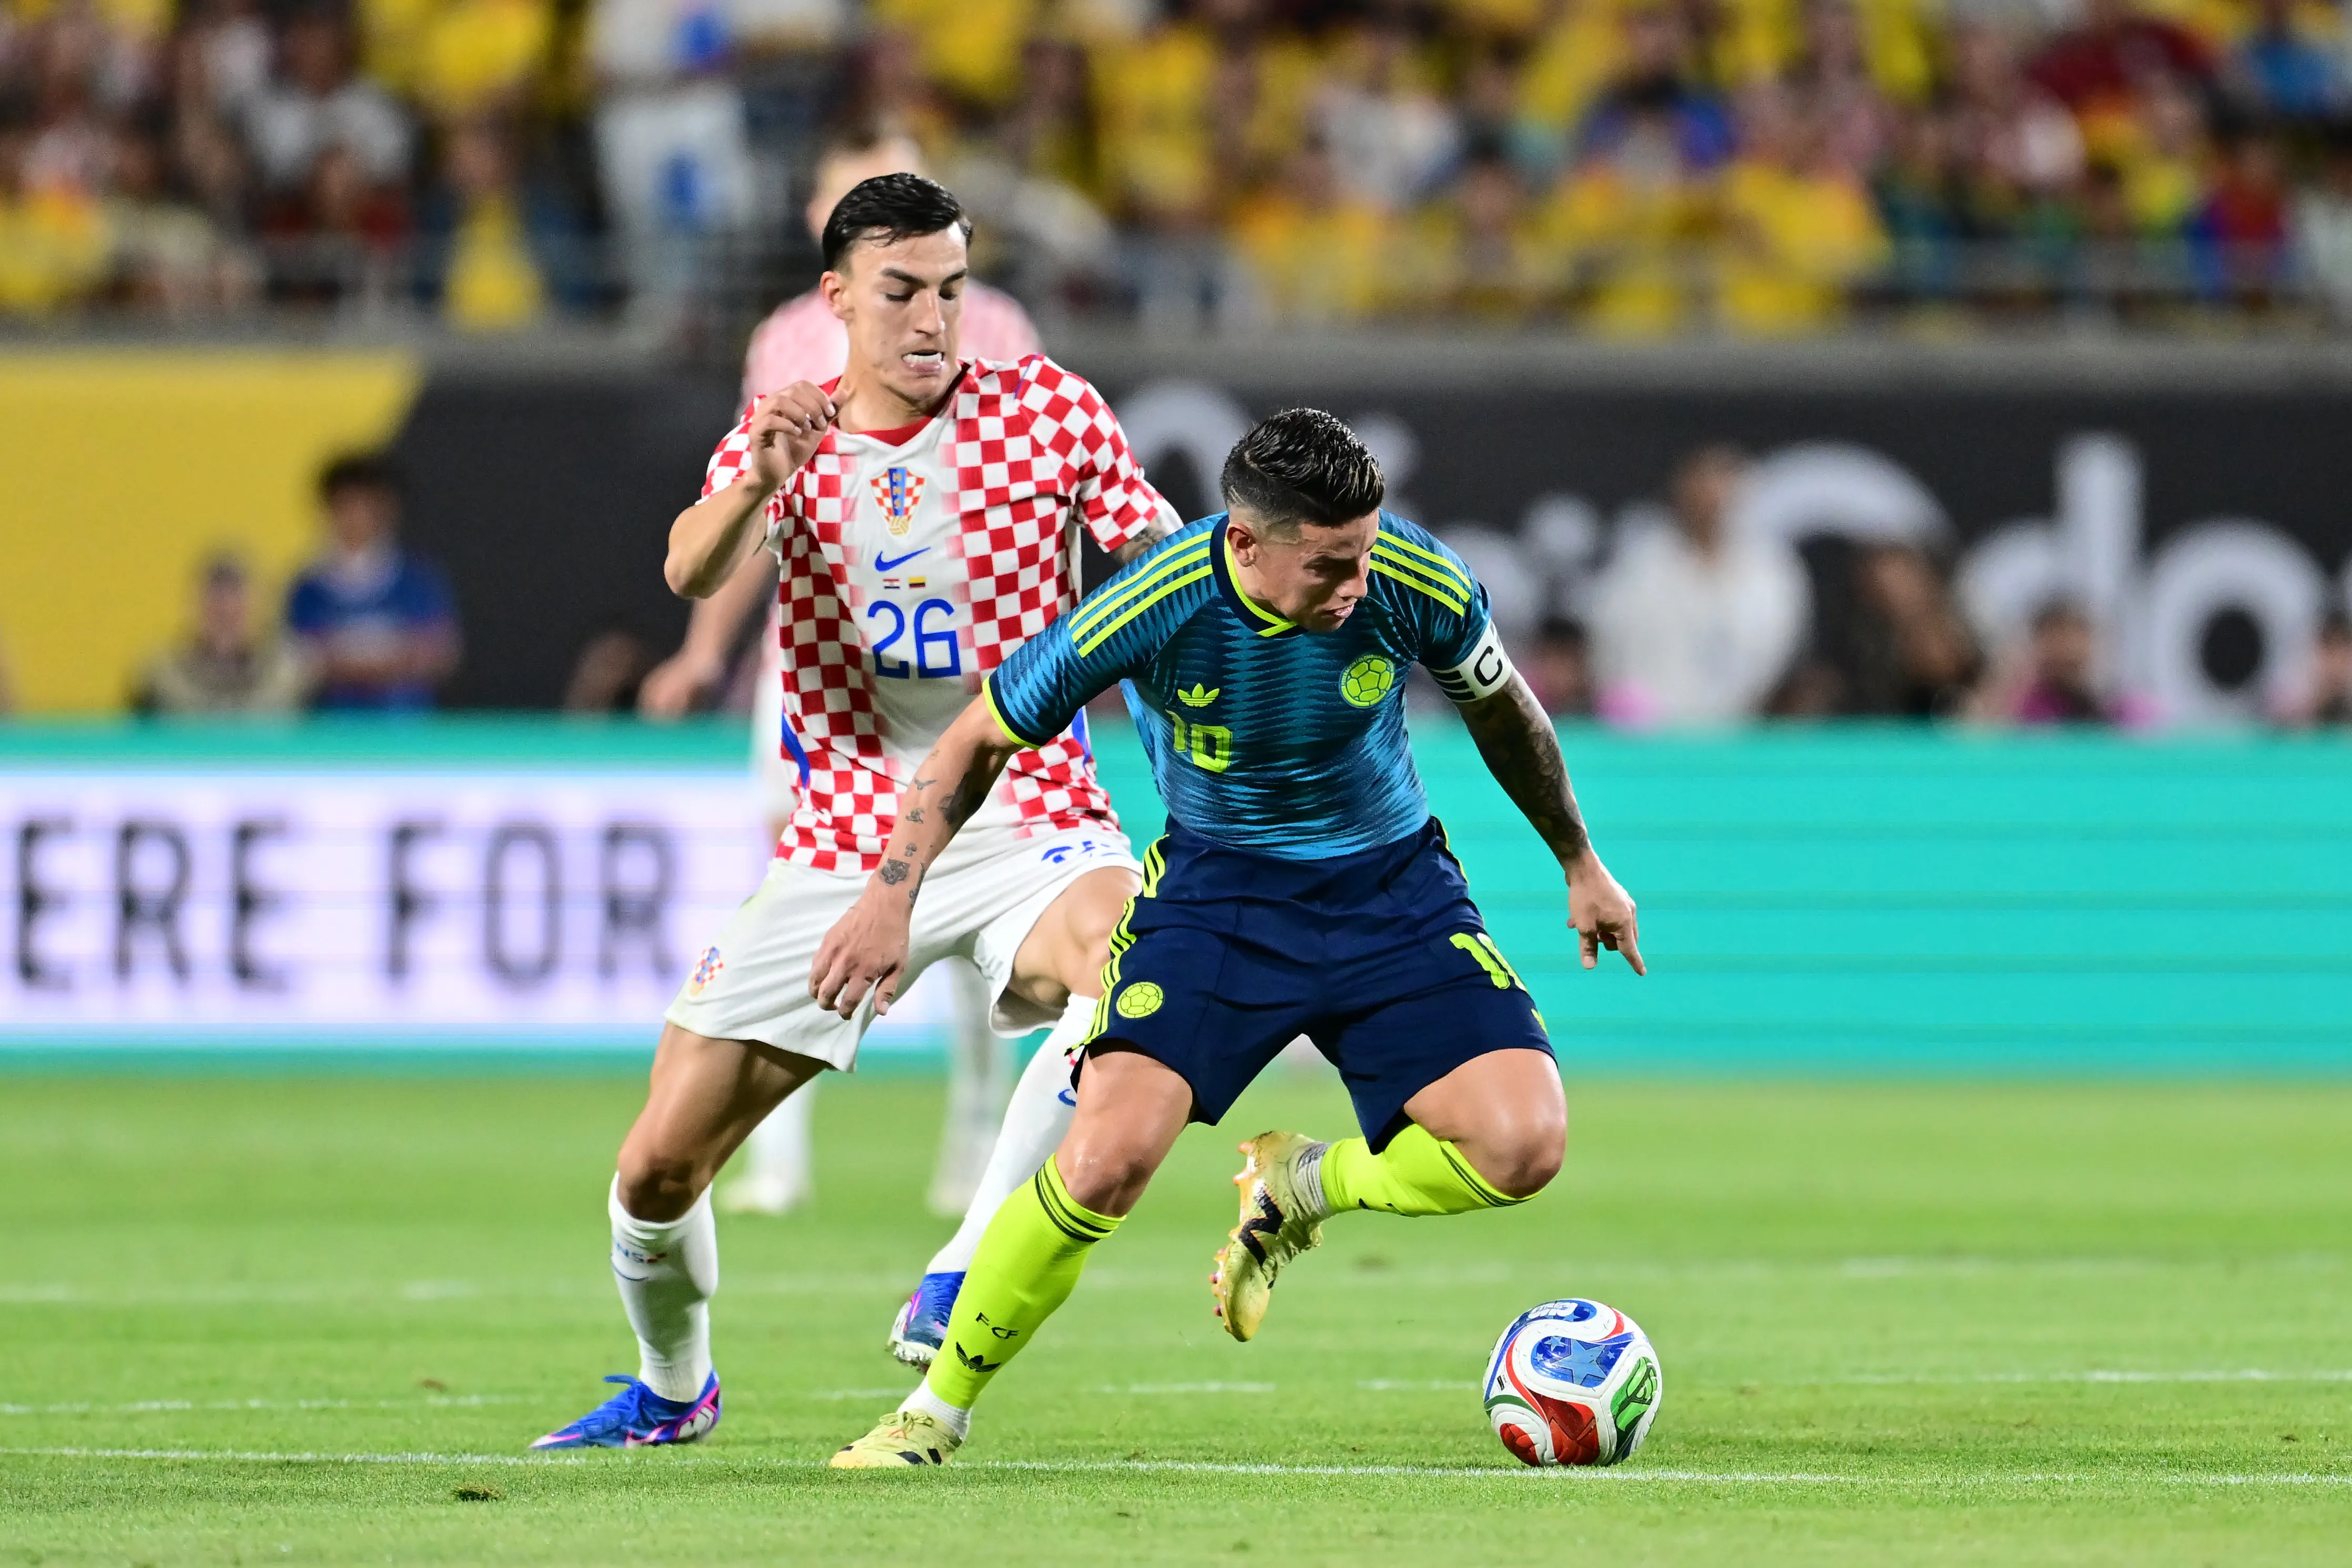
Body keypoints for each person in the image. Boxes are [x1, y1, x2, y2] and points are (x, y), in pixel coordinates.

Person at [814, 408, 1644, 1468]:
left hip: (1390, 890)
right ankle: (933, 1410)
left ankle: (1304, 1186)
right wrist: (890, 896)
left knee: (1524, 1146)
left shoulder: (1413, 576)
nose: (1356, 583)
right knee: (1105, 1159)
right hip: (1218, 901)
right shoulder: (1157, 600)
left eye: (1365, 551)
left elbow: (1503, 709)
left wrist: (1579, 860)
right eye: (1329, 563)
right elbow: (978, 736)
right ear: (1246, 543)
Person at [530, 172, 1177, 1450]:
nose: (933, 319)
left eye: (952, 290)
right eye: (902, 292)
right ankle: (673, 1389)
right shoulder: (787, 434)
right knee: (657, 1169)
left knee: (1133, 972)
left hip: (1026, 799)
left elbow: (1162, 572)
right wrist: (754, 486)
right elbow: (689, 567)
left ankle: (968, 1255)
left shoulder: (1048, 411)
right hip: (848, 831)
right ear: (836, 299)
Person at [637, 125, 1047, 1224]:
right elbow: (754, 505)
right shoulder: (782, 339)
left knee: (968, 895)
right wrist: (703, 653)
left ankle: (974, 1136)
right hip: (816, 668)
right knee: (795, 880)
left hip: (960, 671)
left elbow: (1035, 504)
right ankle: (774, 1150)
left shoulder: (997, 327)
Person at [1588, 446, 1810, 725]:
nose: (1715, 497)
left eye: (1725, 482)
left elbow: (1783, 655)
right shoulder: (1639, 566)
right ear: (1682, 489)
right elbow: (1610, 651)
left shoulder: (1773, 571)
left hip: (1745, 730)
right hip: (1653, 732)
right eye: (1704, 483)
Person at [283, 454, 460, 711]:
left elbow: (441, 654)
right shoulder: (308, 589)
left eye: (367, 506)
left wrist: (353, 659)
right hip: (334, 725)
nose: (357, 517)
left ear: (387, 510)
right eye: (347, 505)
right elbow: (299, 662)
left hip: (405, 724)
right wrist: (389, 656)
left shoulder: (418, 580)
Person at [133, 553, 311, 715]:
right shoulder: (160, 678)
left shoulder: (290, 678)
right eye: (216, 603)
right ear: (194, 606)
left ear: (259, 606)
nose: (226, 609)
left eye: (237, 601)